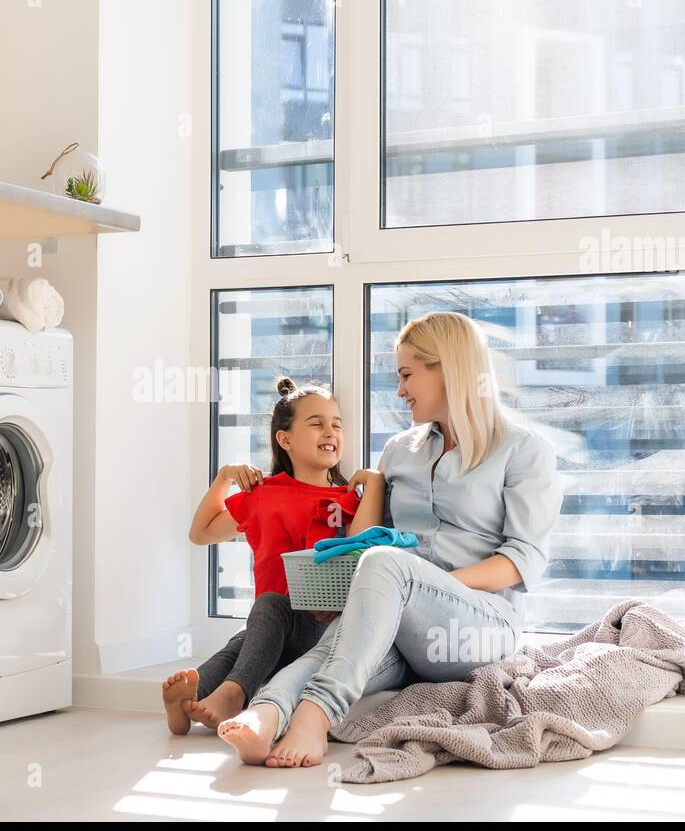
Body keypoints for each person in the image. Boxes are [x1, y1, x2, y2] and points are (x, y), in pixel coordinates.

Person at [218, 311, 564, 767]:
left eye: (406, 375)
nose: (399, 390)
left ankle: (315, 717)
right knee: (335, 644)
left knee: (387, 567)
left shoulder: (524, 449)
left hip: (479, 628)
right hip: (407, 626)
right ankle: (266, 712)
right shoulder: (400, 450)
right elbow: (364, 547)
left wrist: (420, 586)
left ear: (448, 369)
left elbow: (521, 561)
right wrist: (376, 498)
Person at [163, 376, 370, 733]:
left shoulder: (348, 500)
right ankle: (188, 700)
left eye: (336, 425)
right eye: (317, 423)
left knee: (268, 609)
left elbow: (367, 550)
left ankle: (228, 691)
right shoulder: (264, 494)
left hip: (321, 634)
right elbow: (200, 533)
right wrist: (223, 478)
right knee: (254, 628)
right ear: (284, 438)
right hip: (269, 634)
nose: (330, 432)